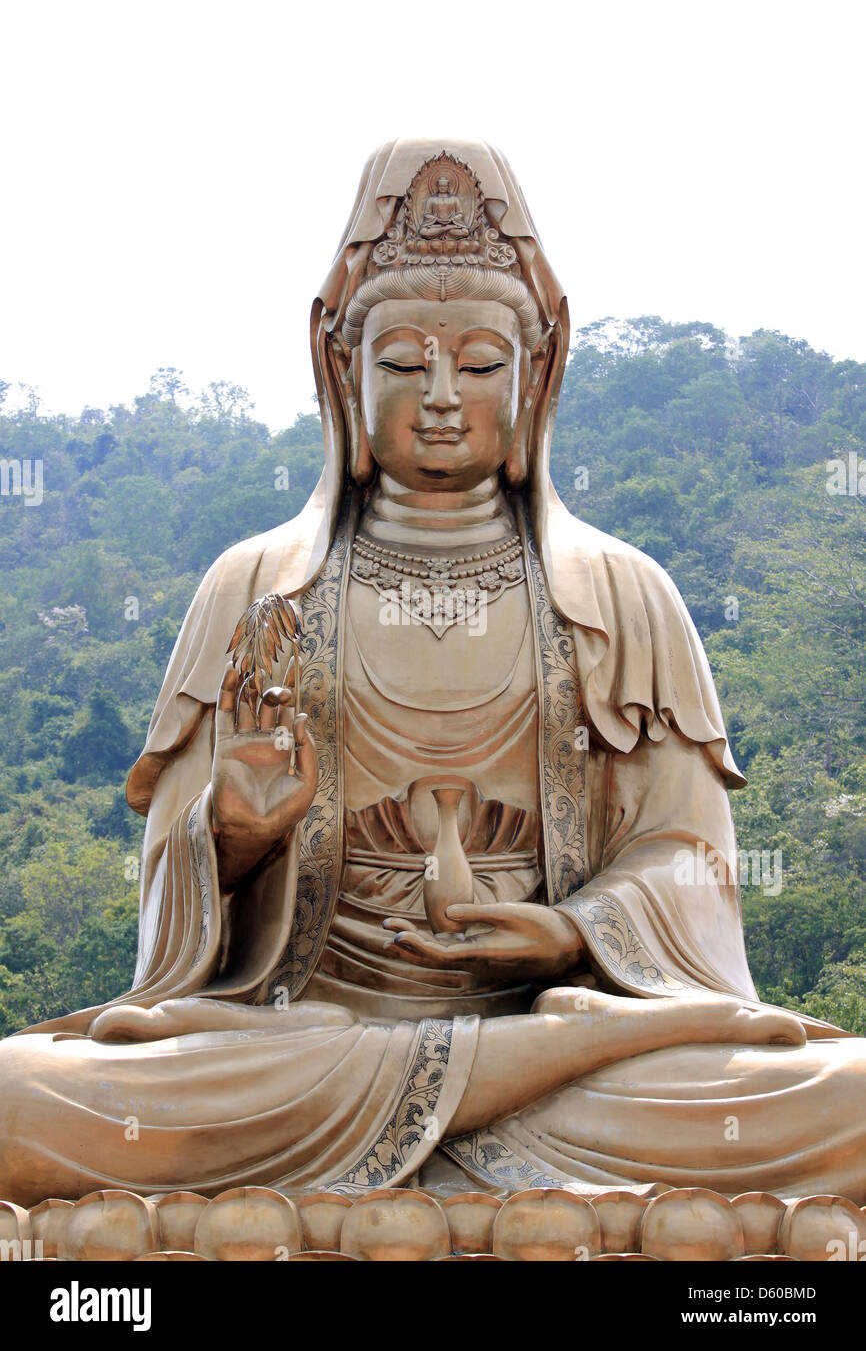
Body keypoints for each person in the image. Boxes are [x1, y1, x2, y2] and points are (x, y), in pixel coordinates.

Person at [1, 139, 863, 1205]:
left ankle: (451, 1135)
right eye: (404, 363)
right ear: (343, 378)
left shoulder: (621, 595)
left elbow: (690, 860)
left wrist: (568, 930)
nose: (443, 394)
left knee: (851, 1097)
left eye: (480, 363)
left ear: (534, 378)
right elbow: (171, 924)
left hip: (565, 1057)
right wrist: (231, 830)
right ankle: (462, 1138)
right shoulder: (257, 589)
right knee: (16, 1097)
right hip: (307, 1052)